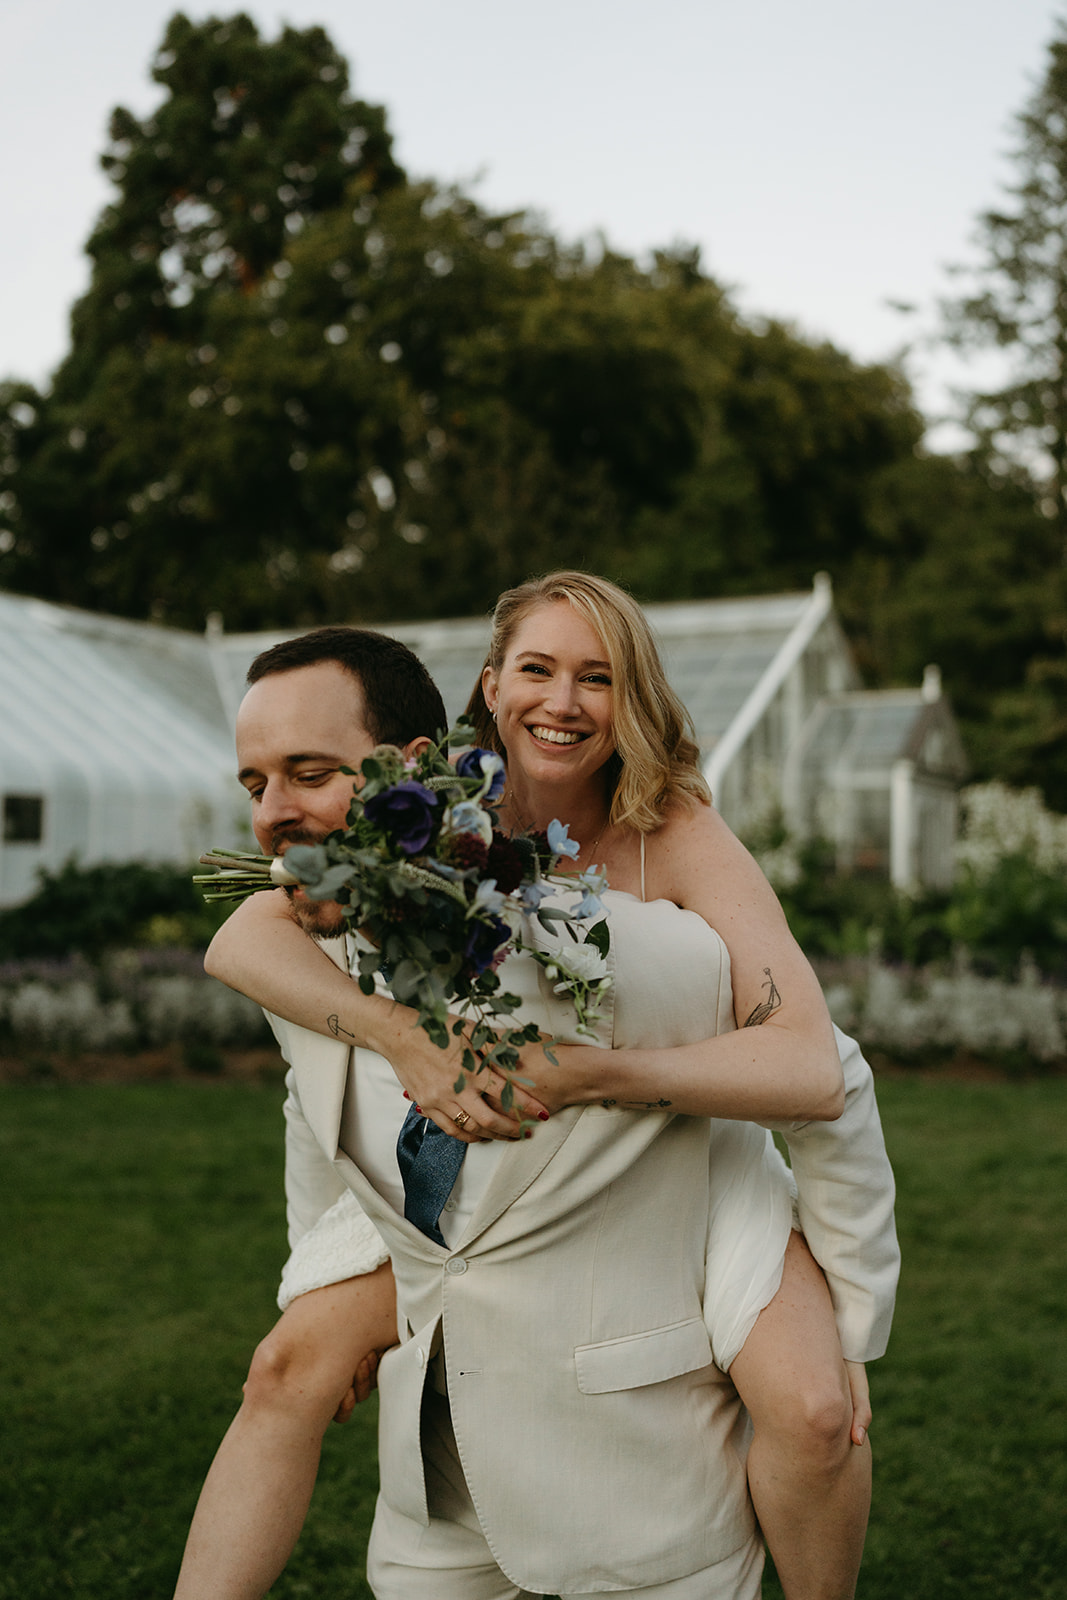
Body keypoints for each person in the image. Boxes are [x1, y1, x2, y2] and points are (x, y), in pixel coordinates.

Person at [177, 586, 898, 1600]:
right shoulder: (433, 808)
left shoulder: (679, 833)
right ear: (489, 686)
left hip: (688, 1137)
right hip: (465, 1157)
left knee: (813, 1405)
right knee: (288, 1361)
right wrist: (399, 1033)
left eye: (595, 676)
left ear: (633, 699)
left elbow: (812, 1063)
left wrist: (599, 1074)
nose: (561, 700)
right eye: (534, 670)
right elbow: (254, 944)